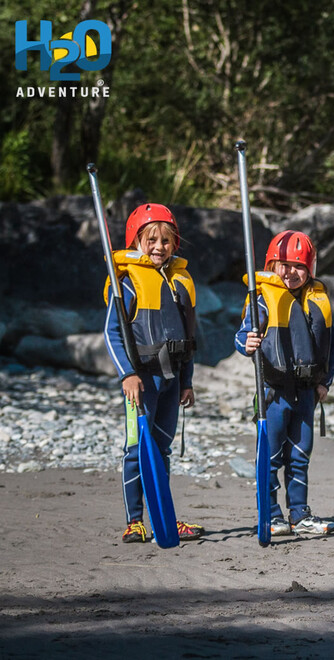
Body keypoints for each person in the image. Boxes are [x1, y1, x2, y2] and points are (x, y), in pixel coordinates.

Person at [103, 203, 203, 543]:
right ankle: (135, 520)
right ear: (136, 241)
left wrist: (187, 381)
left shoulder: (179, 282)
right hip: (141, 382)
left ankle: (165, 515)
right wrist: (127, 374)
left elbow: (188, 338)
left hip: (172, 381)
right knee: (137, 449)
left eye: (166, 240)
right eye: (151, 240)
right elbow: (112, 333)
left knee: (161, 449)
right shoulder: (128, 283)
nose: (159, 247)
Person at [236, 230, 334, 536]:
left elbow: (332, 347)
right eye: (283, 264)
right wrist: (248, 342)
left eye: (299, 266)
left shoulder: (317, 300)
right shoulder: (262, 299)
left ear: (310, 270)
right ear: (271, 265)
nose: (290, 272)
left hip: (307, 393)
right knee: (269, 457)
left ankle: (299, 513)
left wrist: (326, 383)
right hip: (273, 393)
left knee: (300, 455)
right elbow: (242, 334)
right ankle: (271, 515)